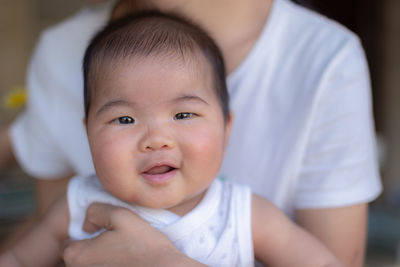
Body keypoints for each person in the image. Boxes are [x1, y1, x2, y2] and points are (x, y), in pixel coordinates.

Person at [1, 0, 381, 266]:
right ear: (87, 134)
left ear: (227, 128)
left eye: (183, 114)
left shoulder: (241, 215)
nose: (157, 139)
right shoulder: (79, 202)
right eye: (124, 120)